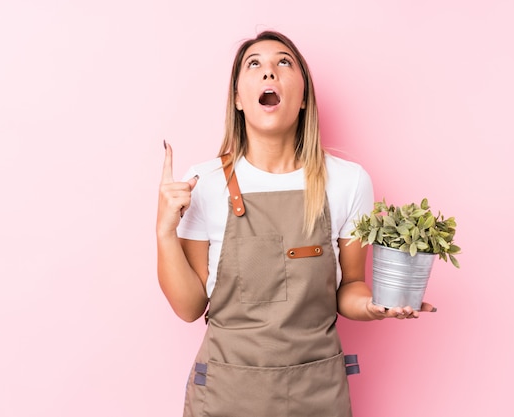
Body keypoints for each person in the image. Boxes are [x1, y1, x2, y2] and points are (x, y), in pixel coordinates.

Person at [156, 30, 435, 417]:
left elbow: (350, 287)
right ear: (237, 98)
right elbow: (189, 307)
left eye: (284, 62)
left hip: (317, 394)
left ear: (303, 97)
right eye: (254, 64)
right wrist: (164, 231)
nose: (269, 71)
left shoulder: (348, 181)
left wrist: (375, 305)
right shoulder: (203, 183)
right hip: (225, 395)